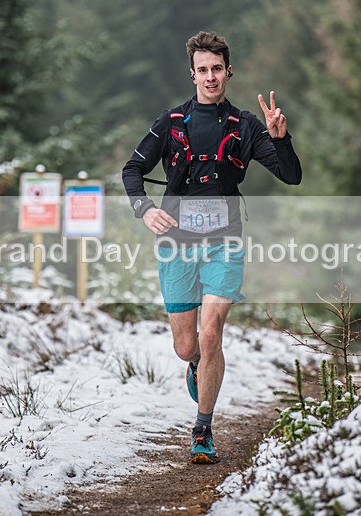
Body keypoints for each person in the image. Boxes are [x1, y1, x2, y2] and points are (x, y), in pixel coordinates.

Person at [122, 31, 301, 464]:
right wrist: (144, 209)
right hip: (177, 244)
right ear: (193, 74)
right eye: (202, 70)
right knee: (188, 347)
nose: (210, 77)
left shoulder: (246, 125)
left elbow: (291, 176)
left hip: (225, 241)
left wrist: (280, 139)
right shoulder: (171, 122)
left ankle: (202, 429)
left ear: (228, 71)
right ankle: (195, 365)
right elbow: (132, 170)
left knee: (211, 332)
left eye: (216, 68)